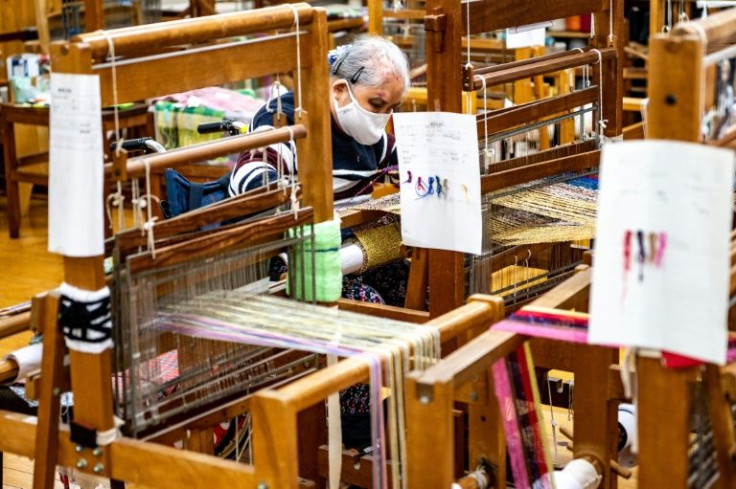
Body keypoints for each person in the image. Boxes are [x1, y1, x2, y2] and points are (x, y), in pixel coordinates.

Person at [228, 36, 410, 200]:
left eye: (391, 108)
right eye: (377, 104)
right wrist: (303, 209)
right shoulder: (284, 118)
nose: (382, 117)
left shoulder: (369, 137)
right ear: (340, 90)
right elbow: (251, 178)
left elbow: (410, 163)